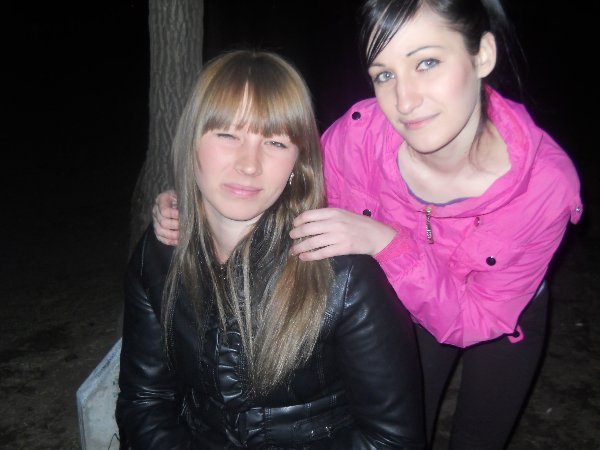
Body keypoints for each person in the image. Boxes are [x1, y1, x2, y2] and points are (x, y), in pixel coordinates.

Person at [152, 2, 583, 449]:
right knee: (409, 424)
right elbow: (285, 179)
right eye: (385, 74)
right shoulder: (359, 136)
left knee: (480, 437)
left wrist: (387, 243)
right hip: (405, 300)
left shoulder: (545, 186)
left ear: (483, 55)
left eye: (427, 63)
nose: (405, 101)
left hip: (498, 309)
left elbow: (475, 318)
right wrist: (198, 204)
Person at [117, 49, 425, 449]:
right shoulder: (158, 253)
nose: (249, 164)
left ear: (298, 163)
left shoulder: (345, 276)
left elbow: (392, 440)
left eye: (276, 142)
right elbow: (145, 400)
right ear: (191, 142)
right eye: (228, 135)